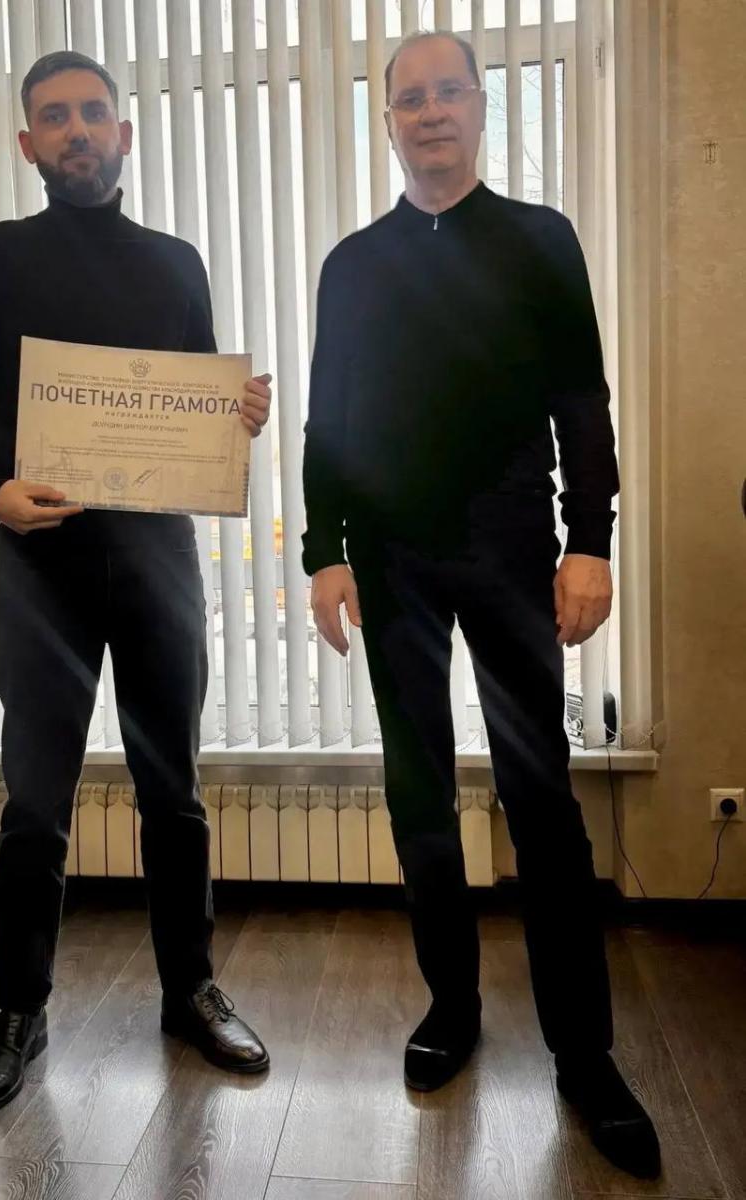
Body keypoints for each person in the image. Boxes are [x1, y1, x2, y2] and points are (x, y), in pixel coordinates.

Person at [302, 31, 660, 1180]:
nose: (428, 112)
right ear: (388, 122)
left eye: (446, 91)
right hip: (390, 563)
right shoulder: (352, 265)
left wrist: (589, 541)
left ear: (478, 107)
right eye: (408, 98)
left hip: (510, 553)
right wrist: (322, 553)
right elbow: (326, 418)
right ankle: (449, 1007)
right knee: (418, 797)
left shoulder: (538, 240)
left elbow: (581, 403)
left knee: (538, 799)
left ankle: (584, 1054)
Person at [0, 51, 273, 1118]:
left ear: (122, 133)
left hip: (160, 560)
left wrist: (237, 417)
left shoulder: (176, 263)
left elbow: (204, 402)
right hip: (44, 566)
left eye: (90, 113)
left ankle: (189, 989)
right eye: (53, 117)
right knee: (35, 801)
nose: (75, 130)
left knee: (175, 793)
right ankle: (18, 1011)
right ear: (27, 143)